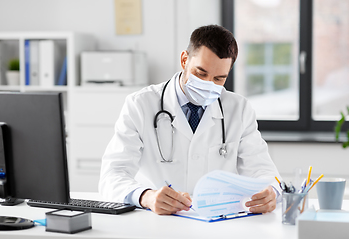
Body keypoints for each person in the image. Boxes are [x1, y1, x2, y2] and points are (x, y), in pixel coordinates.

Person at [99, 25, 281, 215]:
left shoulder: (239, 109)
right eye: (201, 73)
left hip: (217, 222)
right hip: (156, 221)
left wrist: (271, 192)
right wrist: (147, 196)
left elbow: (264, 172)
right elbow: (112, 175)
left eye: (219, 78)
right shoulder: (140, 105)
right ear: (184, 60)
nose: (208, 84)